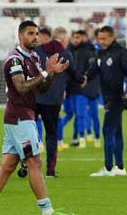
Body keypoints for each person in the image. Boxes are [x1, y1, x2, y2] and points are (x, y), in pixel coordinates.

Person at [0, 20, 71, 215]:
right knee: (34, 161)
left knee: (8, 165)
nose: (35, 37)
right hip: (19, 116)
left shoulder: (34, 57)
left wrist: (51, 74)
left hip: (22, 116)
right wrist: (45, 71)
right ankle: (47, 211)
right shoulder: (14, 59)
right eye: (30, 33)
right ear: (20, 36)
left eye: (36, 33)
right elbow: (21, 87)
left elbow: (40, 88)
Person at [34, 27, 86, 178]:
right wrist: (83, 80)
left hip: (35, 97)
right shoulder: (65, 53)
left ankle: (25, 163)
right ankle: (50, 170)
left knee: (28, 133)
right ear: (63, 39)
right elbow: (76, 75)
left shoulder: (38, 51)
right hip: (53, 100)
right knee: (51, 135)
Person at [87, 26, 127, 178]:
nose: (100, 41)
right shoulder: (100, 54)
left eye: (103, 38)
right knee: (116, 132)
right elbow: (91, 73)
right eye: (99, 38)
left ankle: (108, 168)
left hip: (118, 97)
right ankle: (120, 167)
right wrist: (79, 78)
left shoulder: (122, 52)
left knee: (107, 130)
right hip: (107, 97)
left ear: (111, 37)